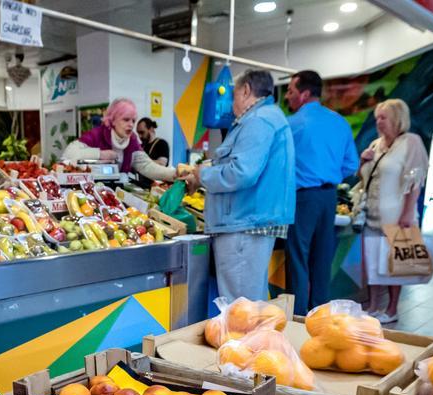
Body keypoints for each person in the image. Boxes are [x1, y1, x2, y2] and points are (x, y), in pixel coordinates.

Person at [184, 69, 295, 301]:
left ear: (246, 91)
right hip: (249, 222)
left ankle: (244, 339)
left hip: (244, 224)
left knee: (241, 305)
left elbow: (241, 172)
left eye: (233, 95)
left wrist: (203, 175)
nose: (230, 103)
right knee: (249, 302)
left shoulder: (258, 121)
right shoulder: (268, 117)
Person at [283, 70, 358, 313]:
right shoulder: (340, 122)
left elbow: (279, 164)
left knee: (298, 260)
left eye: (291, 91)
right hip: (329, 198)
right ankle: (320, 317)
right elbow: (351, 165)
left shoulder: (292, 124)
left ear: (304, 94)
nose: (287, 96)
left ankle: (298, 317)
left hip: (303, 197)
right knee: (322, 260)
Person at [356, 98, 430, 323]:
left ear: (397, 118)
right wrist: (362, 162)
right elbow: (363, 178)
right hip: (372, 215)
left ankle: (391, 309)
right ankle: (373, 306)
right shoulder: (375, 145)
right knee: (371, 264)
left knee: (395, 265)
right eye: (377, 117)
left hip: (397, 216)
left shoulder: (411, 142)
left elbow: (415, 181)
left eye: (383, 117)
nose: (378, 122)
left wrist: (408, 212)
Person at [62, 98, 178, 182]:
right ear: (113, 119)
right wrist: (100, 154)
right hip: (91, 192)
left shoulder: (132, 140)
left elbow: (147, 166)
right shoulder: (98, 134)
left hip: (117, 194)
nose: (131, 125)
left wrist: (175, 174)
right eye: (126, 120)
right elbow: (68, 154)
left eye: (133, 120)